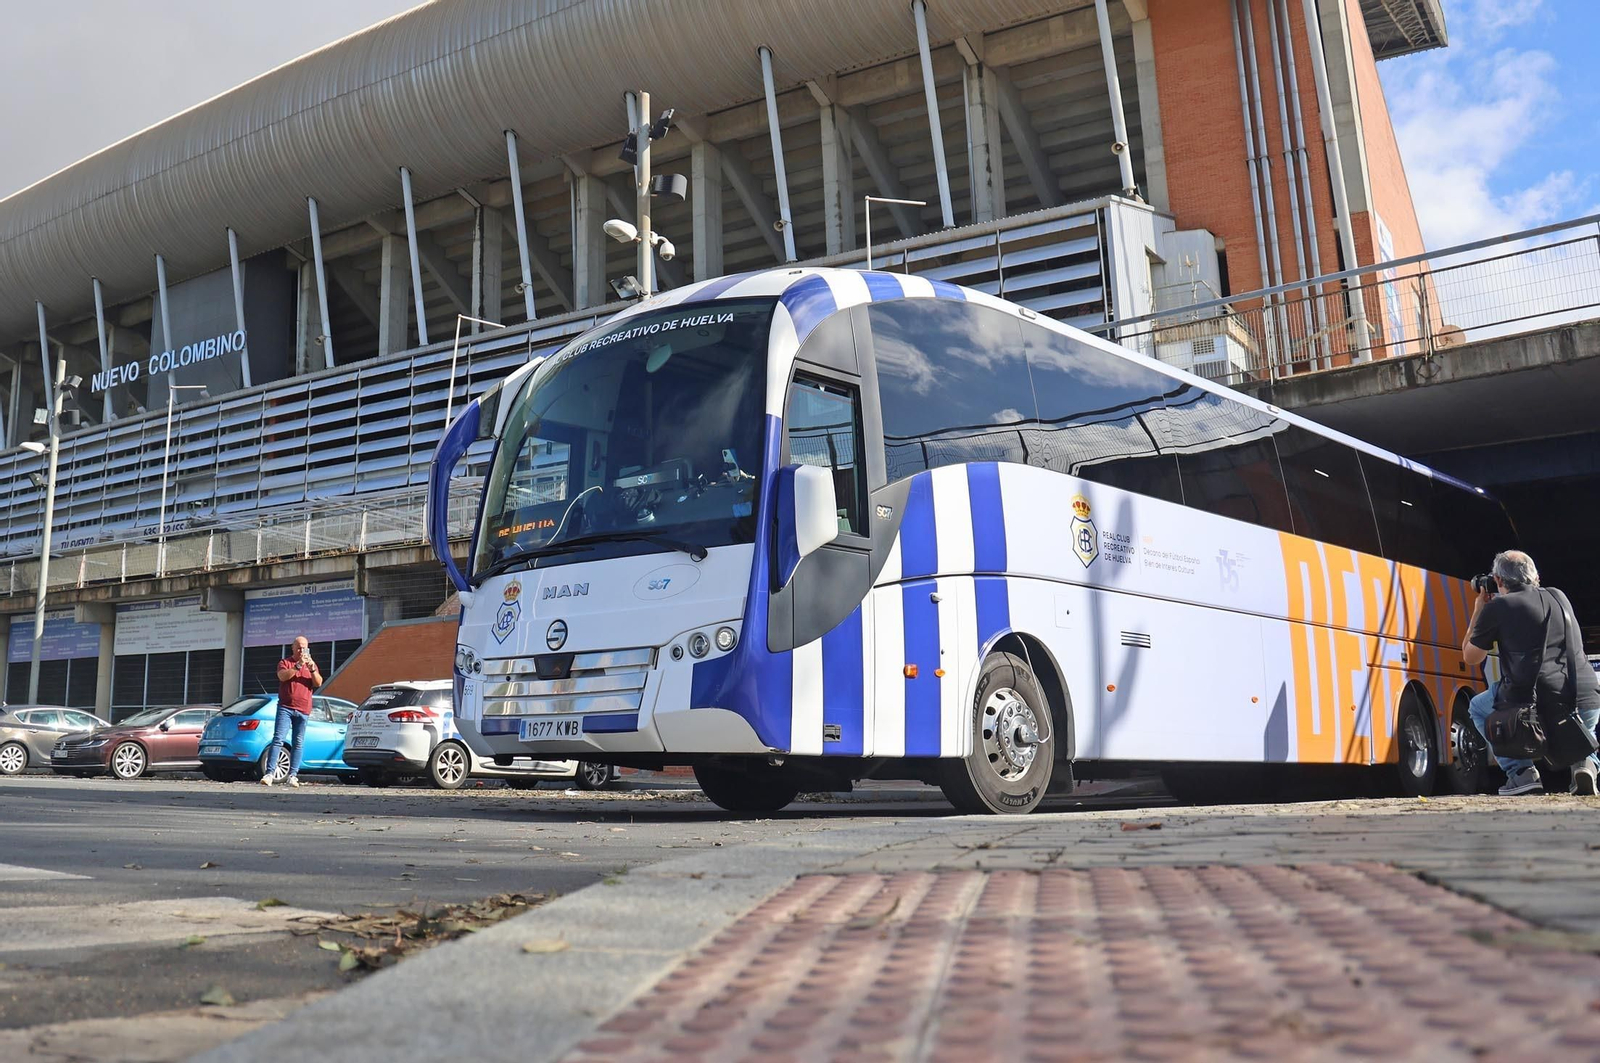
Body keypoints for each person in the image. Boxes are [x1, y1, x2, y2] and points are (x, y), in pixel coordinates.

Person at [1464, 550, 1600, 796]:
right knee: (1581, 725)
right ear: (1535, 575)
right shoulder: (1559, 596)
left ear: (1498, 580)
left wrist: (1478, 610)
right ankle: (1586, 763)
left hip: (1534, 706)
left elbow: (1471, 657)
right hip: (1585, 697)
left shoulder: (1498, 607)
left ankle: (1522, 773)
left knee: (1477, 707)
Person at [263, 636, 323, 788]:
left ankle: (293, 775)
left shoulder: (311, 665)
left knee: (298, 742)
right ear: (293, 647)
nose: (301, 650)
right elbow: (282, 676)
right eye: (299, 647)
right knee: (278, 739)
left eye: (304, 648)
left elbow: (318, 682)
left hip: (304, 709)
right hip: (286, 707)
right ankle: (270, 773)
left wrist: (312, 668)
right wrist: (298, 666)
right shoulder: (285, 662)